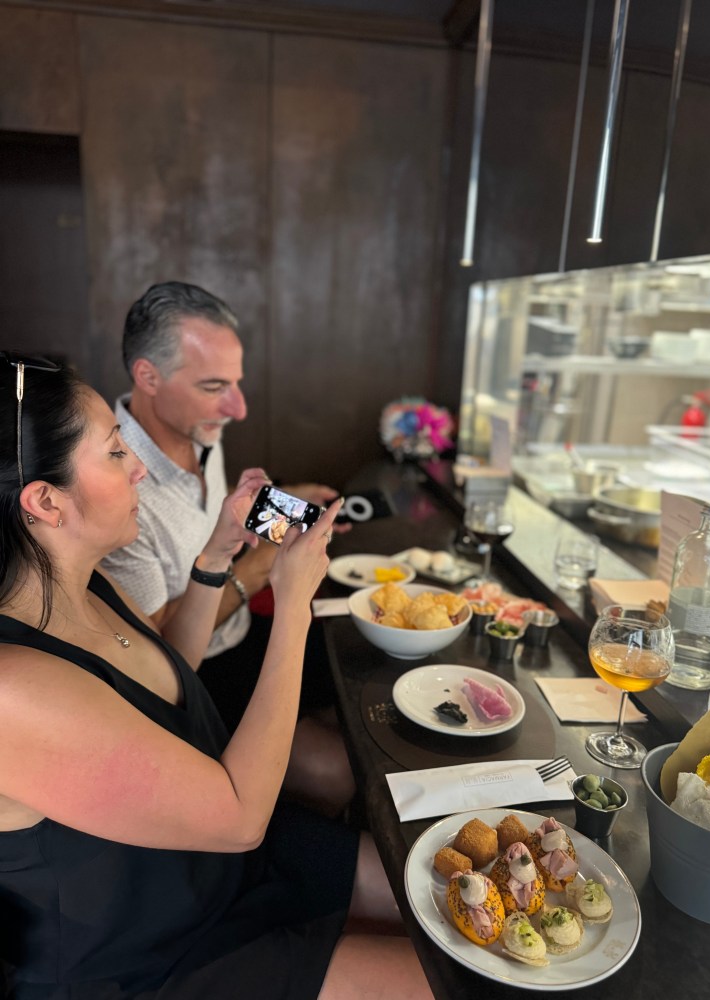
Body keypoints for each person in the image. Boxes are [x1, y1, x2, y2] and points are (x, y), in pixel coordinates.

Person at [0, 353, 433, 1000]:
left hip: (215, 874)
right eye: (116, 452)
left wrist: (218, 554)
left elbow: (167, 671)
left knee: (439, 897)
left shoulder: (88, 584)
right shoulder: (14, 691)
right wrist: (292, 606)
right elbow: (237, 816)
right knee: (442, 979)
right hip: (150, 959)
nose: (140, 466)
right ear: (45, 501)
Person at [99, 282, 354, 815]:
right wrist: (259, 572)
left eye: (235, 383)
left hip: (243, 637)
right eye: (216, 386)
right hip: (197, 678)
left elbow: (215, 522)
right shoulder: (117, 489)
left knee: (360, 684)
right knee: (339, 776)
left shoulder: (197, 428)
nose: (237, 408)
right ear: (148, 376)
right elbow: (163, 649)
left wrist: (276, 506)